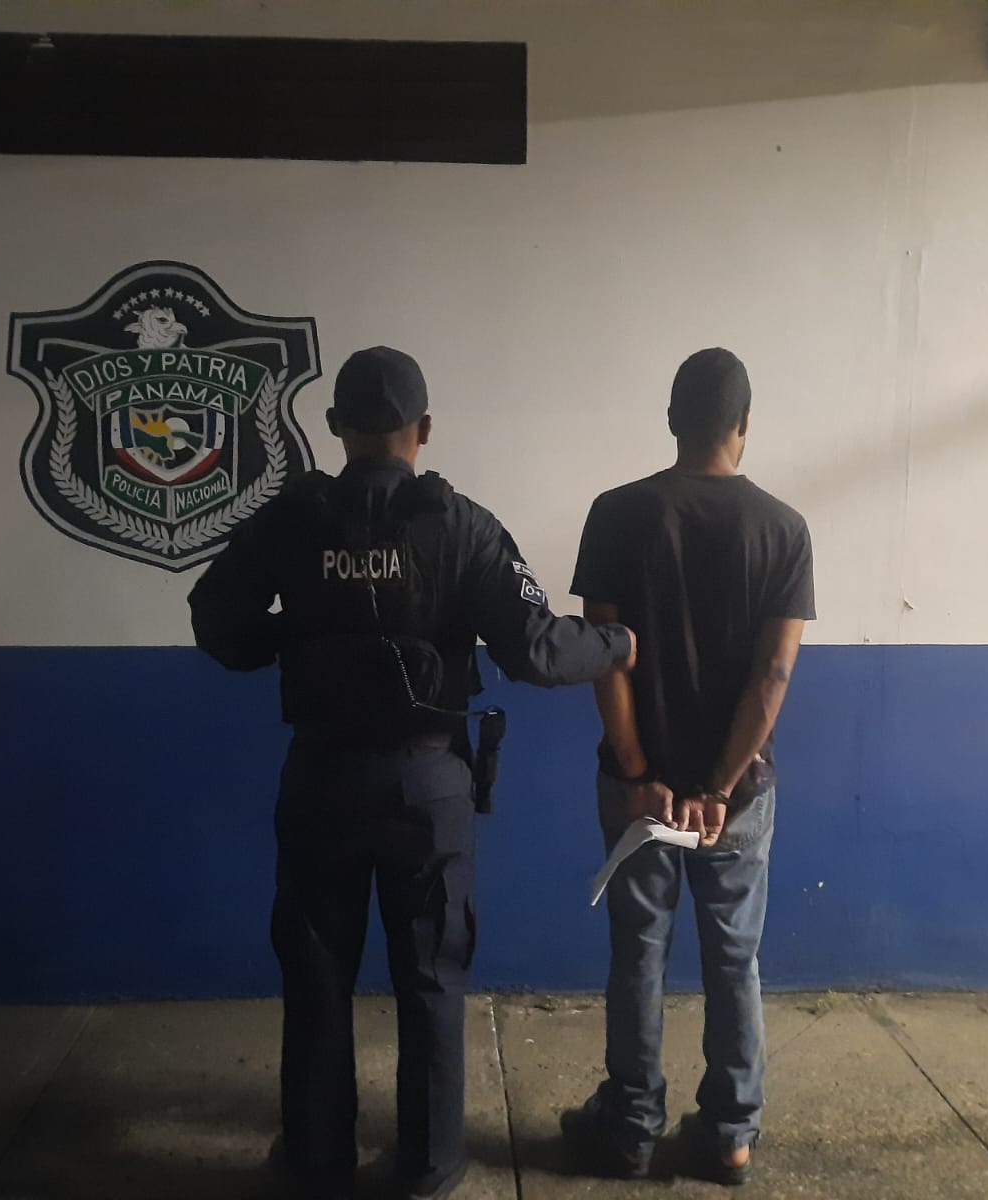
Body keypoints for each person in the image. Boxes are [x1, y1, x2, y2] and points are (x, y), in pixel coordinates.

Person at [188, 346, 636, 1200]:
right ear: (424, 429)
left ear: (334, 426)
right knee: (432, 976)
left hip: (320, 779)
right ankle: (428, 1168)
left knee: (317, 975)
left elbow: (217, 623)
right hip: (428, 788)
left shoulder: (293, 518)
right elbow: (538, 649)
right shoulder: (461, 525)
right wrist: (618, 643)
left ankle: (317, 1158)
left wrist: (301, 641)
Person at [560, 347, 815, 1185]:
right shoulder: (784, 530)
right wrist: (719, 788)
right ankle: (732, 1134)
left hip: (638, 787)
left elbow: (607, 657)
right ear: (745, 425)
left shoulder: (615, 514)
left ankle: (631, 1127)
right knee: (734, 957)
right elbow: (771, 677)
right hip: (736, 794)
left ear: (672, 419)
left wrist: (640, 775)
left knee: (638, 952)